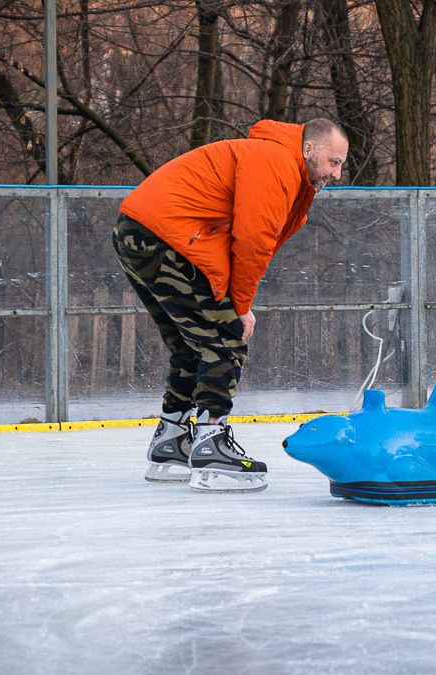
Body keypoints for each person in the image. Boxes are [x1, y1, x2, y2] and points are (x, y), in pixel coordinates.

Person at [113, 118, 348, 493]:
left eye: (339, 166)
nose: (336, 173)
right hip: (167, 235)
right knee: (226, 338)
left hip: (140, 231)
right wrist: (241, 305)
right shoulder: (276, 162)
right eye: (333, 162)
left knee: (193, 344)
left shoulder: (274, 160)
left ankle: (171, 441)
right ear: (309, 150)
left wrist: (234, 299)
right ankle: (211, 443)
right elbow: (254, 239)